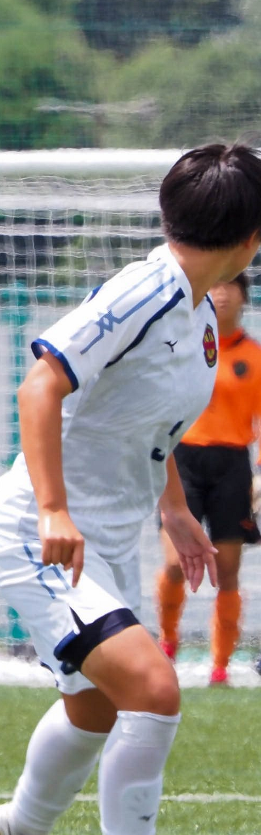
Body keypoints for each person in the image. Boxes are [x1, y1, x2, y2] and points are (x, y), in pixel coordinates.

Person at [0, 143, 261, 835]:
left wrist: (173, 509)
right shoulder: (148, 291)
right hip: (46, 537)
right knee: (155, 686)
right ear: (250, 238)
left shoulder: (200, 314)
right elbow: (42, 382)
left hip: (104, 540)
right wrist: (53, 509)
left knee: (96, 708)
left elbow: (149, 423)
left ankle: (20, 830)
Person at [155, 270, 261, 684]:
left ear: (242, 297)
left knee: (228, 568)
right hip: (181, 460)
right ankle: (167, 641)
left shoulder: (253, 356)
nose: (220, 294)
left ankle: (220, 665)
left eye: (229, 287)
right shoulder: (184, 347)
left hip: (233, 464)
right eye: (214, 286)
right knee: (174, 563)